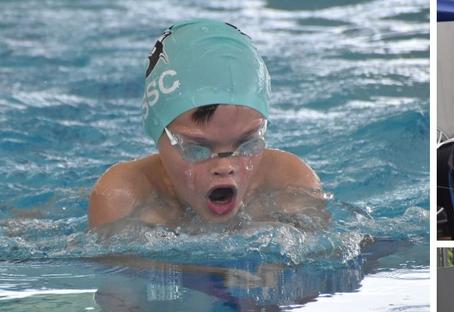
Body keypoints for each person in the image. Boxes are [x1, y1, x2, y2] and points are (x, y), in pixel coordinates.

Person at [88, 19, 323, 232]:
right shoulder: (122, 199)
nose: (225, 166)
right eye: (196, 148)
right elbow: (118, 274)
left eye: (248, 144)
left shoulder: (291, 184)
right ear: (157, 134)